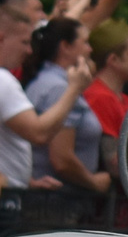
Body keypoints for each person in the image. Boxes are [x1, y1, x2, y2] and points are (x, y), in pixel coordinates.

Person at [0, 8, 91, 190]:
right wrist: (74, 89)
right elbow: (39, 133)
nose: (29, 50)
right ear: (0, 38)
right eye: (24, 42)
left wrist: (28, 182)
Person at [23, 17, 108, 194]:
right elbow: (61, 157)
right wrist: (94, 183)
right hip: (56, 202)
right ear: (66, 47)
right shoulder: (60, 88)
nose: (90, 49)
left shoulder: (47, 81)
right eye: (84, 42)